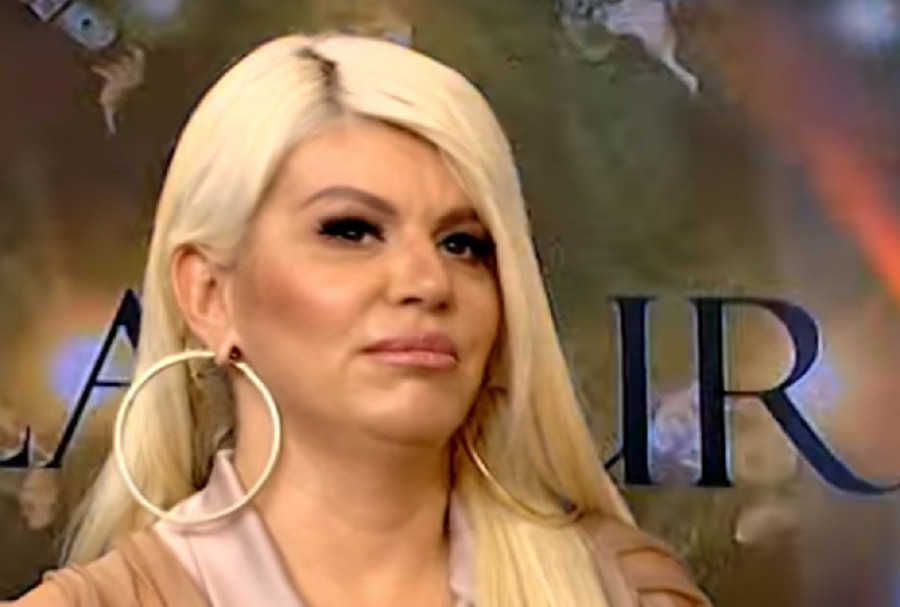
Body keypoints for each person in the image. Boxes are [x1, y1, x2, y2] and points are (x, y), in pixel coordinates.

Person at [8, 33, 712, 607]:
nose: (427, 282)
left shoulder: (625, 591)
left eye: (464, 243)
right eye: (350, 230)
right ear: (210, 295)